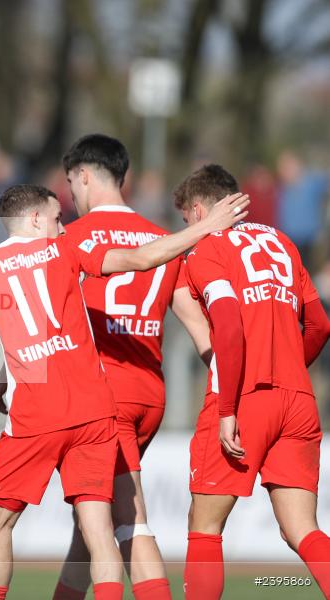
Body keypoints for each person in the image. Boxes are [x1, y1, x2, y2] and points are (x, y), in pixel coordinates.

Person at [0, 184, 248, 600]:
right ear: (35, 219)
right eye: (57, 219)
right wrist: (207, 229)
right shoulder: (66, 251)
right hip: (97, 412)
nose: (64, 227)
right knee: (99, 532)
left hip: (37, 414)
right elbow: (144, 257)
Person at [52, 134, 212, 600]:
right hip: (149, 394)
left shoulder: (70, 238)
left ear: (83, 176)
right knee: (91, 522)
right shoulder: (163, 239)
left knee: (127, 522)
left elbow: (45, 320)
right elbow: (200, 331)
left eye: (70, 184)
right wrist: (227, 397)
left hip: (103, 397)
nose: (70, 196)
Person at [173, 164, 330, 599]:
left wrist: (228, 409)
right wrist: (291, 368)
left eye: (187, 219)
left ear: (202, 209)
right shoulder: (283, 243)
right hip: (298, 399)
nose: (187, 230)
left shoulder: (206, 248)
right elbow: (318, 324)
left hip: (244, 396)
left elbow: (227, 324)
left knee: (204, 527)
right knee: (303, 530)